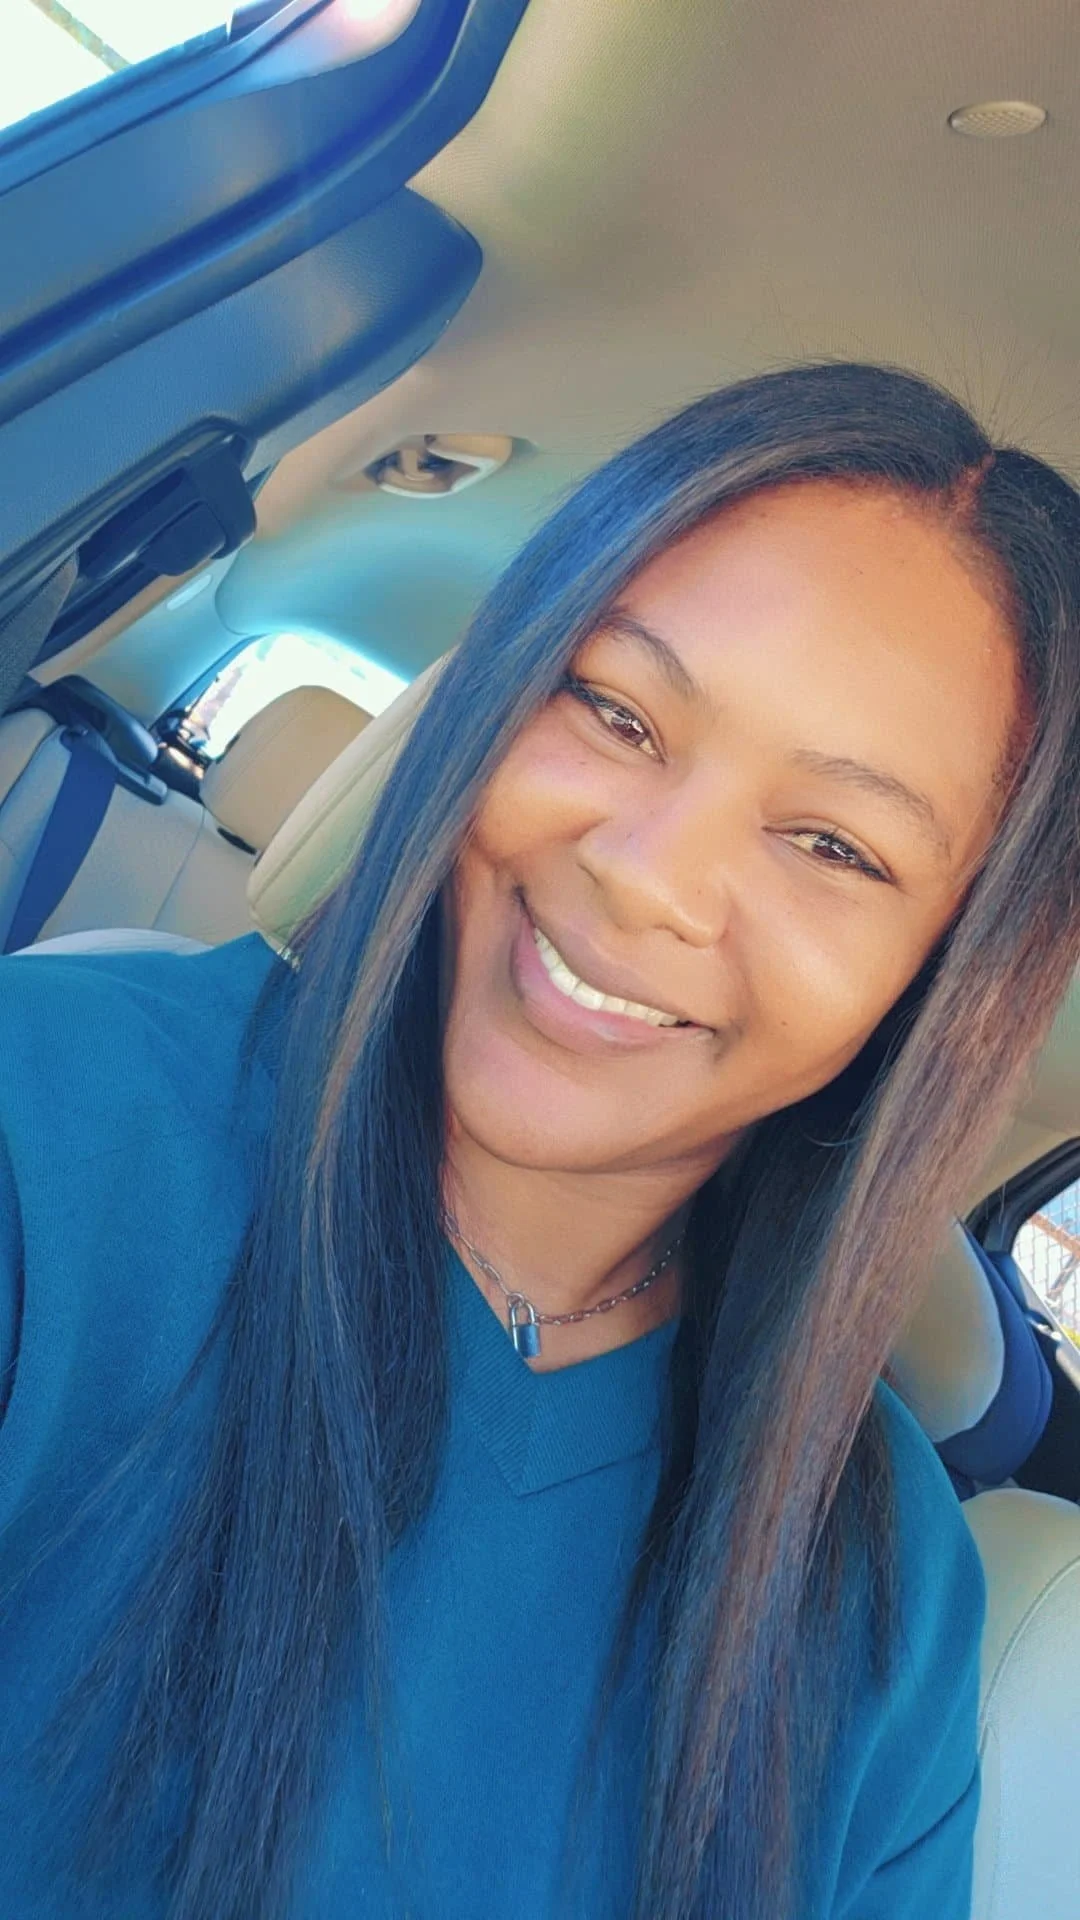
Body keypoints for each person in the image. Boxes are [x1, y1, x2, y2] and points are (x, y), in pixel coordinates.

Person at [1, 362, 1079, 1920]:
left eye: (833, 844)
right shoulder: (51, 1116)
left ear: (938, 979)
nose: (649, 875)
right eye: (617, 711)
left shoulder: (886, 1591)